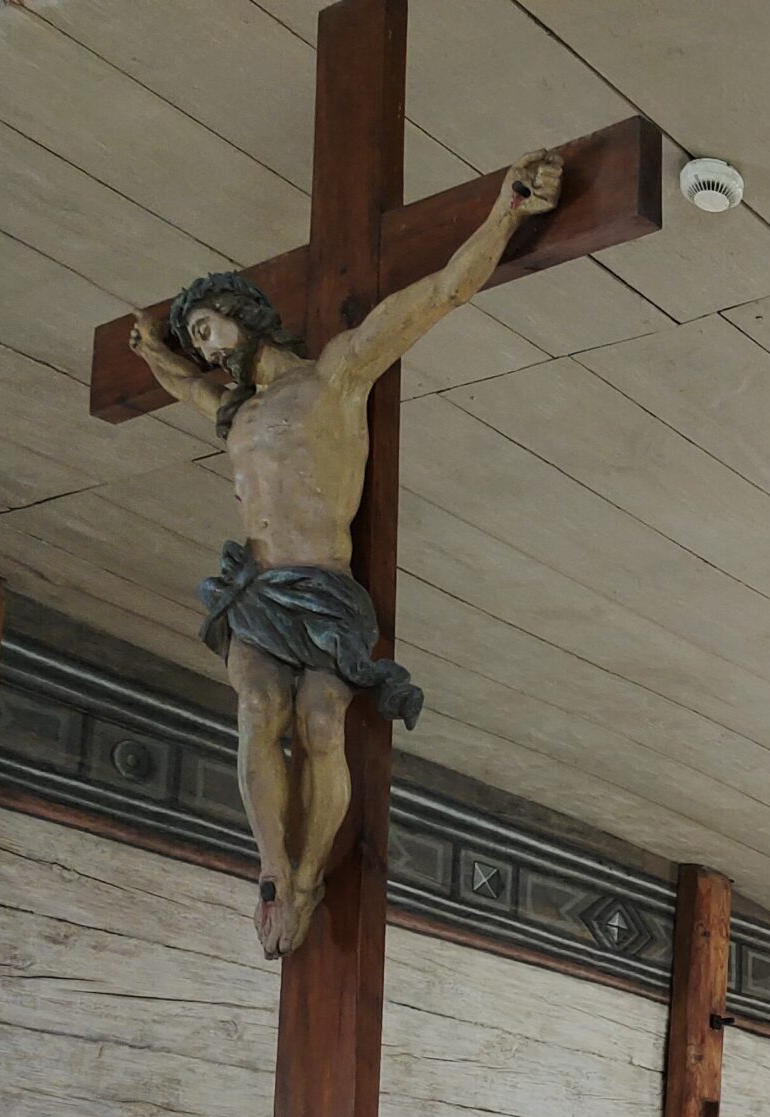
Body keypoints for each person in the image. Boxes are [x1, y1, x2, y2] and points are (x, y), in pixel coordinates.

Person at [128, 148, 563, 956]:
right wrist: (156, 351)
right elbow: (182, 384)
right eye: (196, 341)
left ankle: (306, 877)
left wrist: (507, 209)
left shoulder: (335, 376)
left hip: (325, 590)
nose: (207, 350)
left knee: (323, 720)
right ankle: (270, 869)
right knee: (259, 710)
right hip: (256, 592)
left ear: (243, 311)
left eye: (207, 329)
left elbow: (441, 293)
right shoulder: (233, 410)